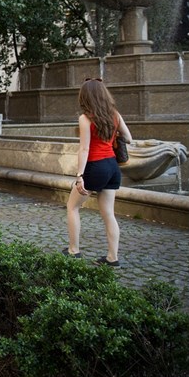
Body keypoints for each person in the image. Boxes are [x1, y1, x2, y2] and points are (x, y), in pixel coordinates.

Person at [64, 78, 132, 267]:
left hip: (96, 167)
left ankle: (73, 251)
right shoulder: (115, 115)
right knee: (109, 213)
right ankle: (112, 257)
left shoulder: (86, 118)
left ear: (85, 97)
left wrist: (79, 176)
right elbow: (129, 137)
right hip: (112, 168)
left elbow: (84, 149)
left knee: (73, 207)